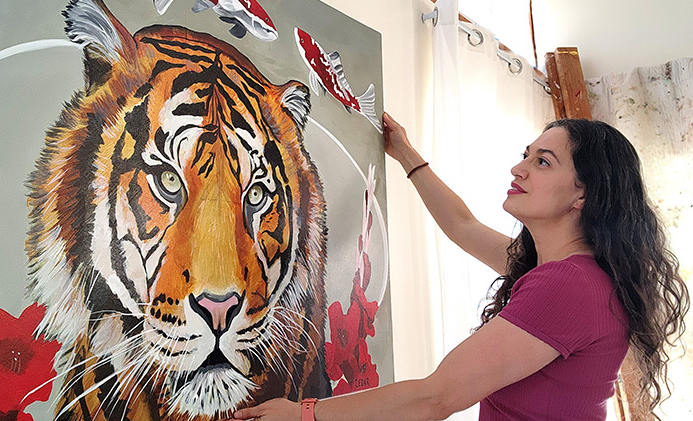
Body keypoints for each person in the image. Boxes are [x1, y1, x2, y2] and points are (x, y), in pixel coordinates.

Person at [228, 113, 689, 421]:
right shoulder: (568, 274)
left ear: (582, 195)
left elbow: (437, 397)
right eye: (525, 154)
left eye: (542, 162)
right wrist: (406, 154)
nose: (519, 168)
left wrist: (304, 414)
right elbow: (464, 227)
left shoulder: (568, 287)